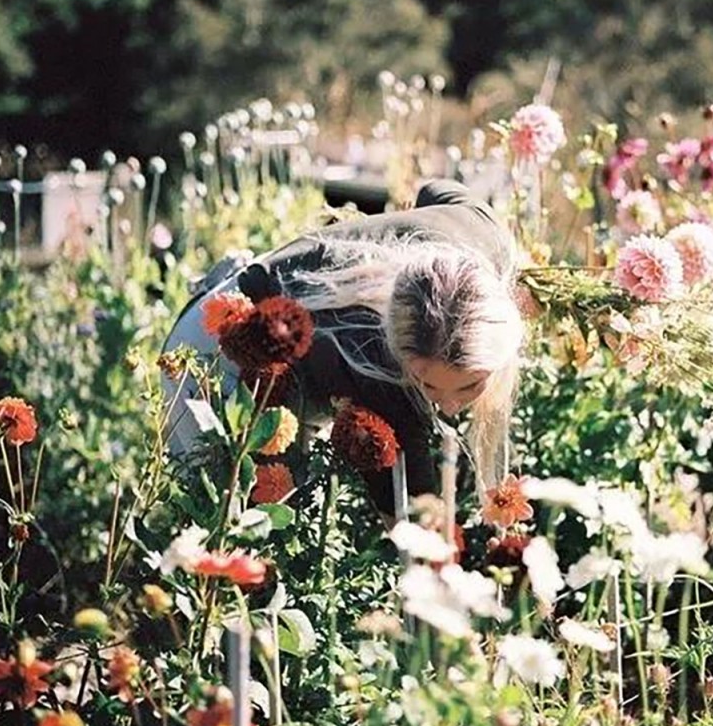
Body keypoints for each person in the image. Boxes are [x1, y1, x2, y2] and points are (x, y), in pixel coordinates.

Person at [161, 179, 525, 515]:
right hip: (220, 350)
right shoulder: (378, 354)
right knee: (242, 524)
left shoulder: (487, 236)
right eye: (428, 386)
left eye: (469, 385)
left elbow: (435, 190)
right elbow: (409, 511)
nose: (447, 405)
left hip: (284, 322)